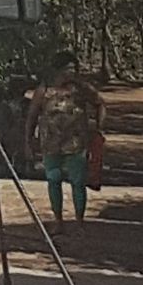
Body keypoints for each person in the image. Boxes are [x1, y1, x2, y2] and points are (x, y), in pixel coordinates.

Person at [25, 63, 100, 224]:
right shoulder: (44, 90)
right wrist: (28, 140)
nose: (71, 72)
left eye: (74, 68)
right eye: (68, 68)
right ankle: (58, 220)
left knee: (78, 182)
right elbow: (32, 115)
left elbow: (99, 104)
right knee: (53, 180)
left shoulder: (82, 89)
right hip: (51, 144)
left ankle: (79, 221)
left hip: (76, 144)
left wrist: (97, 129)